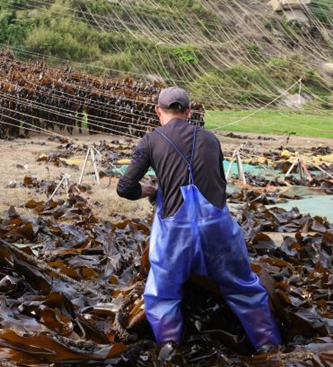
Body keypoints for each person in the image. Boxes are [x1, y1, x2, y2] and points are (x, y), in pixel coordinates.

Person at [116, 87, 281, 353]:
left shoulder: (151, 140)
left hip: (174, 234)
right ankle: (270, 349)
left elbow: (124, 187)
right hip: (218, 228)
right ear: (189, 112)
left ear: (158, 110)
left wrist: (147, 191)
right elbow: (219, 184)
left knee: (163, 296)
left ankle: (171, 352)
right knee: (245, 291)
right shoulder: (210, 139)